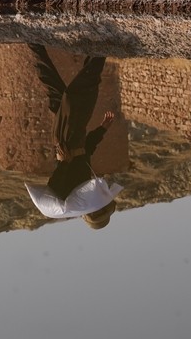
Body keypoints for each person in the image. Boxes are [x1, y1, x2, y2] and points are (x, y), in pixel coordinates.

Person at [25, 44, 120, 229]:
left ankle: (100, 48)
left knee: (77, 95)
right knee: (54, 87)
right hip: (74, 137)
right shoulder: (85, 186)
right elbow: (87, 151)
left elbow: (55, 184)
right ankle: (35, 45)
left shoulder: (69, 196)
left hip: (67, 139)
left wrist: (65, 163)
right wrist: (102, 128)